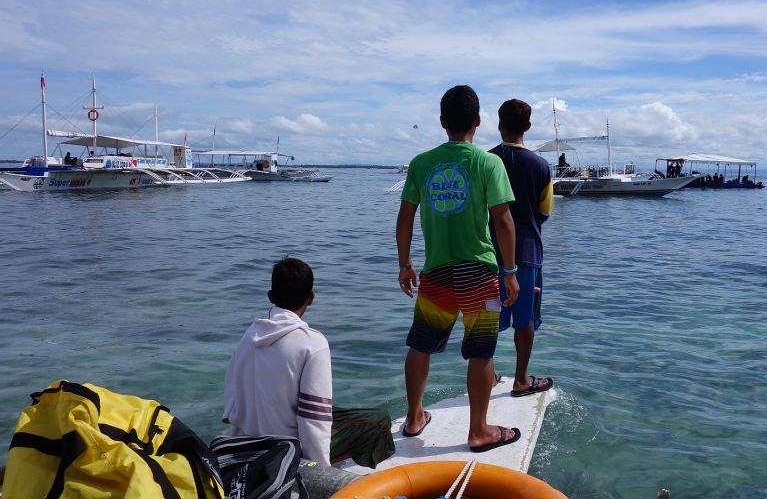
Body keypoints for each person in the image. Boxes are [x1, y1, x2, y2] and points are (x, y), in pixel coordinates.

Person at [396, 84, 522, 453]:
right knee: (482, 350)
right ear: (478, 122)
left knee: (421, 344)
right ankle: (479, 430)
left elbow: (405, 219)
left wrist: (405, 263)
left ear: (441, 122)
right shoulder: (488, 163)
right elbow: (504, 221)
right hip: (479, 276)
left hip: (435, 273)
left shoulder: (421, 163)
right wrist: (510, 271)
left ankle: (415, 417)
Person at [223, 257, 395, 468]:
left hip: (246, 443)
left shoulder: (249, 336)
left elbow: (232, 401)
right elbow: (313, 420)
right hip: (286, 451)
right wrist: (320, 472)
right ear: (311, 298)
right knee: (379, 422)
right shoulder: (312, 344)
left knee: (330, 410)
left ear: (271, 296)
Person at [489, 99, 554, 398]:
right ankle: (520, 379)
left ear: (499, 124)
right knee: (524, 318)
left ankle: (486, 374)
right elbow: (545, 212)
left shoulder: (485, 161)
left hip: (487, 253)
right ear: (528, 127)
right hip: (527, 254)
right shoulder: (541, 166)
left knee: (487, 316)